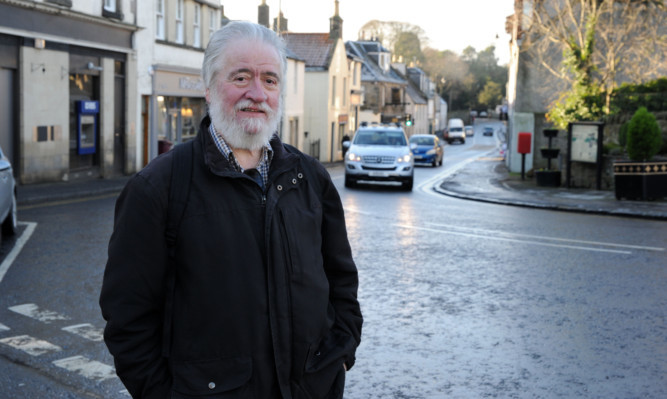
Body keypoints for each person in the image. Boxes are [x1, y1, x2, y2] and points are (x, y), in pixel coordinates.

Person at [100, 21, 362, 399]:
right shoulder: (157, 188)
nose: (257, 93)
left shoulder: (311, 178)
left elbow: (341, 281)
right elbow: (128, 321)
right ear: (208, 87)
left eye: (270, 80)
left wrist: (339, 356)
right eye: (241, 77)